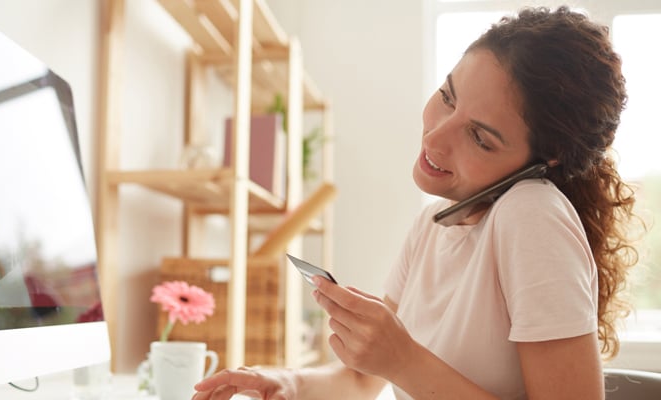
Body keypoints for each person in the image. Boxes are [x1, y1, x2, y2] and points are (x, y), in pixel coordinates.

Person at [192, 5, 644, 400]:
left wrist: (403, 360)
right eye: (447, 97)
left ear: (544, 161)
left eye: (479, 137)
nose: (435, 136)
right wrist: (285, 383)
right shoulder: (434, 223)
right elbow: (358, 382)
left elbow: (395, 366)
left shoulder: (532, 214)